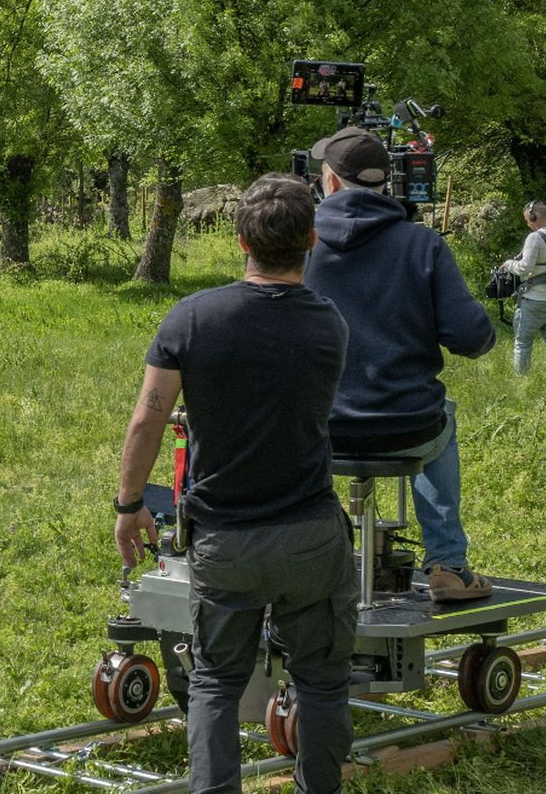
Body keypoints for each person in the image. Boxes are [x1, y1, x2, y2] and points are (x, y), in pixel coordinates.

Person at [114, 174, 354, 794]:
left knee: (216, 682)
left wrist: (130, 504)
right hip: (309, 535)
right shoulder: (330, 325)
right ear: (311, 241)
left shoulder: (191, 318)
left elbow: (148, 416)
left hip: (224, 538)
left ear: (240, 238)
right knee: (322, 684)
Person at [304, 128, 496, 603]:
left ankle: (300, 557)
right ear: (387, 185)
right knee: (442, 414)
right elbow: (473, 338)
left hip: (315, 429)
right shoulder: (422, 245)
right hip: (406, 427)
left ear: (329, 183)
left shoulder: (298, 245)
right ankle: (448, 563)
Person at [500, 200, 546, 376]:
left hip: (531, 301)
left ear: (533, 217)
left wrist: (509, 264)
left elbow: (524, 268)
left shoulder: (534, 238)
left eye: (527, 220)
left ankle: (522, 381)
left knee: (523, 343)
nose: (527, 224)